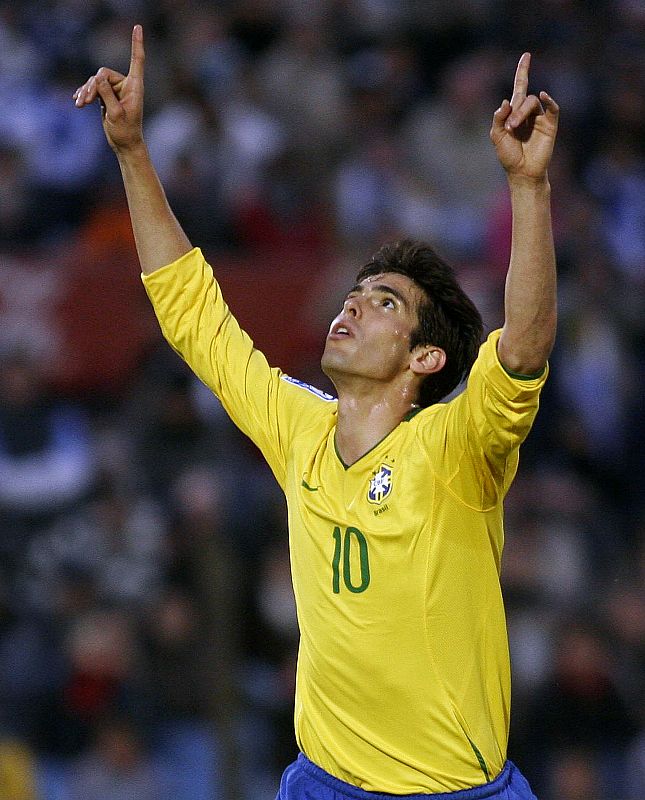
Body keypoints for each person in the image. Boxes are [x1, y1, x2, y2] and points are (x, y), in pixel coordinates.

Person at [74, 24, 559, 800]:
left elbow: (523, 352)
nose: (353, 307)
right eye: (354, 294)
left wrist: (528, 189)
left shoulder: (457, 449)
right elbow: (191, 313)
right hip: (322, 783)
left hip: (454, 791)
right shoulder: (299, 424)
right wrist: (132, 152)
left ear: (425, 359)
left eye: (384, 303)